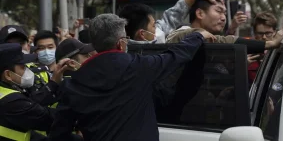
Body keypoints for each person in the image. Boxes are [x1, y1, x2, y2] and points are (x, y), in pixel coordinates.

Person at [48, 13, 215, 141]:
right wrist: (197, 36)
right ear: (121, 42)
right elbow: (176, 56)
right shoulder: (139, 67)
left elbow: (58, 134)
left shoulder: (73, 84)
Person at [166, 0, 283, 54]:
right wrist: (270, 44)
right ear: (200, 13)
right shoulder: (180, 35)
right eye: (219, 11)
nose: (224, 18)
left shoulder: (207, 41)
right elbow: (221, 41)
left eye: (225, 13)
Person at [0, 43, 69, 141]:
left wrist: (53, 82)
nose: (28, 71)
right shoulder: (11, 100)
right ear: (8, 75)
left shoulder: (6, 91)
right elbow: (48, 118)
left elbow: (32, 102)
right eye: (23, 67)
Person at [119, 0, 230, 44]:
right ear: (142, 35)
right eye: (154, 26)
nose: (223, 17)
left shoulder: (152, 40)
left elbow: (171, 19)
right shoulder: (155, 57)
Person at [248, 12, 278, 83]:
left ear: (275, 32)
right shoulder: (248, 58)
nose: (264, 37)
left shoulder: (282, 54)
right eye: (260, 33)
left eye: (268, 33)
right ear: (255, 34)